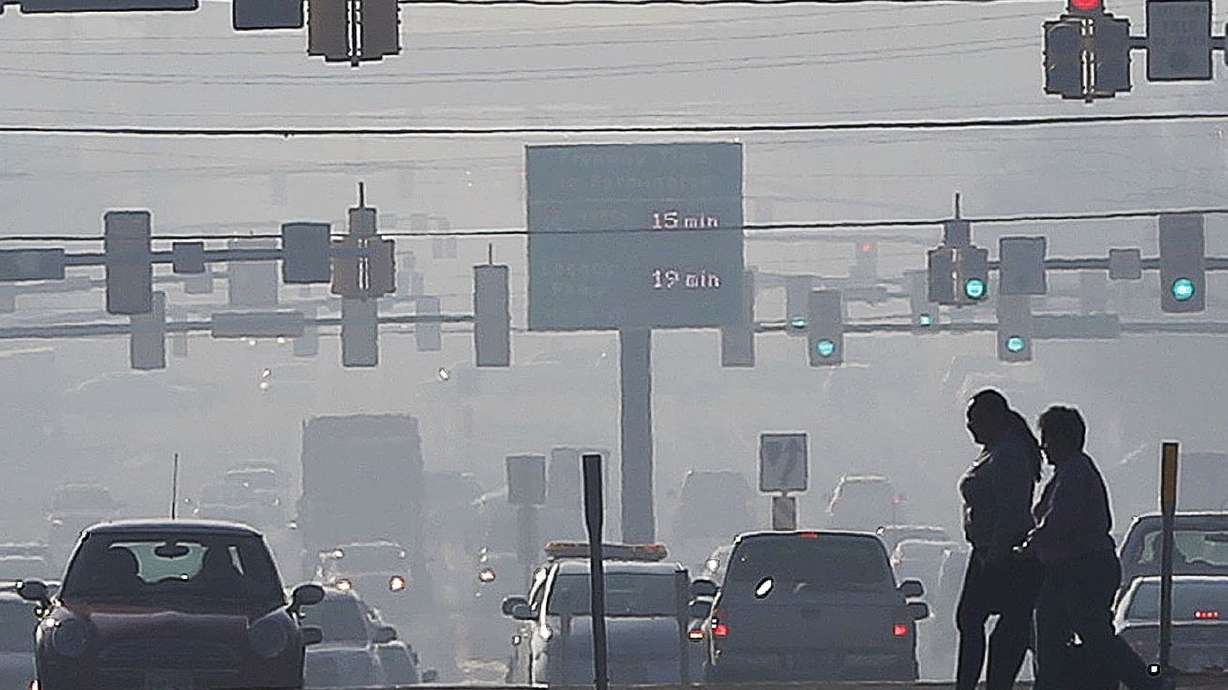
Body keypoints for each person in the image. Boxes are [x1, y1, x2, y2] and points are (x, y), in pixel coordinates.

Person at [1024, 406, 1164, 690]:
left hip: (1082, 567)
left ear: (1064, 438)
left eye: (1047, 438)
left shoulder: (1075, 473)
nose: (1043, 446)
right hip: (1071, 567)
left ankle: (1144, 683)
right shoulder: (1071, 472)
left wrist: (1031, 544)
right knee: (1053, 630)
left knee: (1089, 632)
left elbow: (1060, 521)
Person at [955, 389, 1044, 690]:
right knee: (984, 620)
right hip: (989, 548)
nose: (970, 425)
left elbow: (1012, 510)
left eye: (975, 418)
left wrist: (995, 554)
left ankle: (989, 683)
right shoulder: (998, 450)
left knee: (996, 622)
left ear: (993, 418)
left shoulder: (1009, 454)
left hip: (1002, 550)